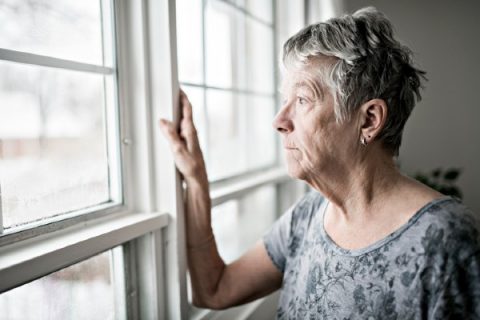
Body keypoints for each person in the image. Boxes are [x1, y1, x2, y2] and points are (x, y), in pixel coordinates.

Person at [160, 7, 480, 319]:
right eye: (284, 100)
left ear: (369, 120)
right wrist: (197, 181)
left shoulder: (445, 238)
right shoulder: (309, 214)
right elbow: (214, 290)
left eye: (302, 99)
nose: (279, 121)